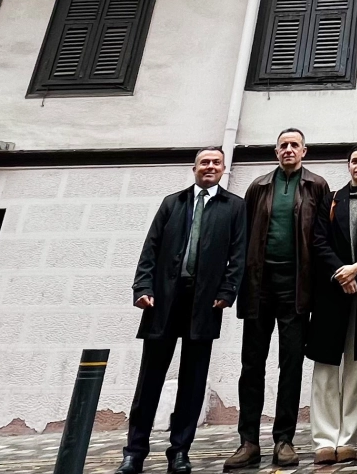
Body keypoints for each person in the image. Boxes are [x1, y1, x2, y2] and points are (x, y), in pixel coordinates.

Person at [120, 147, 246, 474]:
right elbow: (151, 248)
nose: (210, 167)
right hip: (163, 300)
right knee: (149, 380)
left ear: (222, 169)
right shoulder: (172, 203)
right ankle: (134, 451)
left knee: (192, 383)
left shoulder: (234, 207)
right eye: (204, 162)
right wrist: (143, 288)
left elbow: (238, 254)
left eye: (216, 163)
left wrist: (226, 292)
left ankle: (180, 451)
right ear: (194, 168)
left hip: (204, 304)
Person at [227, 130, 328, 471]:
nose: (288, 150)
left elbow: (323, 238)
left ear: (304, 150)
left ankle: (284, 440)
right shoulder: (258, 186)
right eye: (283, 145)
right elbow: (242, 239)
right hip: (259, 287)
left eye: (293, 145)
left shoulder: (316, 185)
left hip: (296, 289)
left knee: (291, 366)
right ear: (276, 151)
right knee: (251, 367)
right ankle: (248, 442)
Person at [307, 145, 357, 466]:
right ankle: (324, 439)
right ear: (348, 166)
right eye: (354, 161)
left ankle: (348, 439)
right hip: (331, 292)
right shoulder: (331, 200)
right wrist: (342, 272)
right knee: (326, 368)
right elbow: (319, 241)